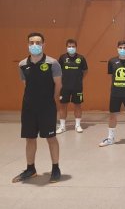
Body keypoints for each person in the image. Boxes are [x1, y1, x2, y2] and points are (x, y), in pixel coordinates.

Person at [13, 32, 62, 183]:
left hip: (47, 107)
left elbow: (58, 85)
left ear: (43, 44)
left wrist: (49, 100)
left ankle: (55, 168)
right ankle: (30, 169)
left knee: (51, 138)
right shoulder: (22, 64)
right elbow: (26, 85)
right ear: (28, 45)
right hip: (28, 108)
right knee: (30, 138)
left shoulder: (52, 63)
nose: (35, 45)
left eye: (38, 42)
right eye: (32, 42)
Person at [56, 39, 88, 133]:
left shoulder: (81, 58)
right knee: (63, 106)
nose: (71, 48)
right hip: (64, 87)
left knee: (77, 105)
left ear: (76, 47)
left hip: (77, 87)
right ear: (66, 47)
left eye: (73, 46)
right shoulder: (62, 58)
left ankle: (77, 125)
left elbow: (85, 71)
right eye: (69, 46)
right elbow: (58, 70)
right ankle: (62, 126)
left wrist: (79, 79)